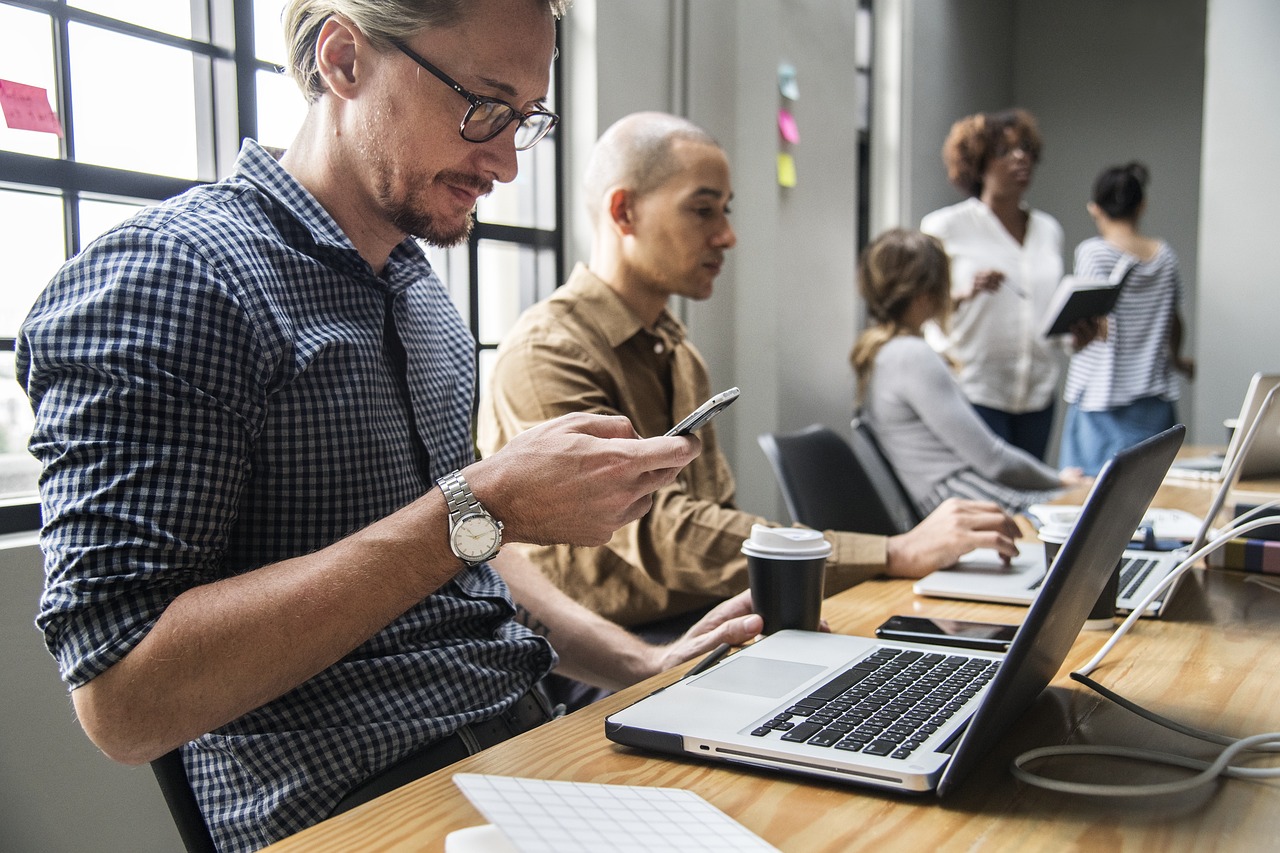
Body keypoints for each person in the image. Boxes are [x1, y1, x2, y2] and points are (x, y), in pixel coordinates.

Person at [15, 4, 764, 851]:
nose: (507, 164)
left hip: (525, 745)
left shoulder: (423, 300)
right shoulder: (173, 279)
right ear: (342, 60)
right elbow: (122, 701)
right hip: (360, 804)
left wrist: (638, 664)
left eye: (525, 119)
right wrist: (476, 507)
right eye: (481, 104)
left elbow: (473, 547)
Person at [477, 112, 1022, 701]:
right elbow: (660, 532)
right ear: (623, 212)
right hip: (599, 661)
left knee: (903, 687)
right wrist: (890, 551)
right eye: (703, 209)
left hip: (699, 620)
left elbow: (714, 515)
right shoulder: (546, 354)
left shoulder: (679, 351)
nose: (727, 235)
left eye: (726, 211)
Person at [851, 228, 1086, 517]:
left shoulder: (886, 353)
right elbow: (995, 460)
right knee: (1095, 507)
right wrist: (1061, 481)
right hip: (966, 505)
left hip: (961, 500)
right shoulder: (911, 355)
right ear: (927, 294)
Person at [921, 108, 1065, 461]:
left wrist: (1078, 330)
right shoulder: (944, 228)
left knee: (1028, 503)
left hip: (1037, 393)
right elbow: (920, 306)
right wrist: (964, 292)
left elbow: (1046, 310)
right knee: (986, 503)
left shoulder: (1049, 230)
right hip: (974, 391)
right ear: (978, 164)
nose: (1021, 157)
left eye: (1026, 149)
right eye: (1004, 151)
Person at [1059, 162, 1195, 475]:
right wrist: (1176, 359)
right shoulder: (1165, 256)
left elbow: (1086, 318)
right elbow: (1174, 322)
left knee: (1089, 501)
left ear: (1095, 209)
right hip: (1153, 399)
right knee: (1150, 493)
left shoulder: (1094, 253)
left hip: (1101, 399)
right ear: (1141, 206)